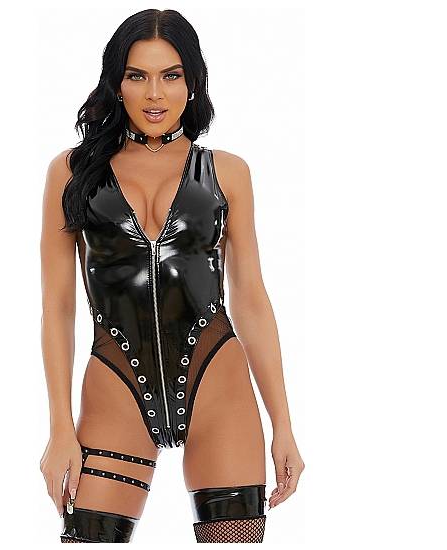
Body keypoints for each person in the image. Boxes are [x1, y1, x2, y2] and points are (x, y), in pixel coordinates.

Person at [39, 8, 304, 543]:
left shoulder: (227, 172)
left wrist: (284, 425)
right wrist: (59, 428)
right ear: (117, 84)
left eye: (171, 75)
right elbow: (58, 308)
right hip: (115, 390)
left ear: (192, 81)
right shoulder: (71, 172)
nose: (155, 94)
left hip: (219, 389)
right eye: (137, 76)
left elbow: (250, 298)